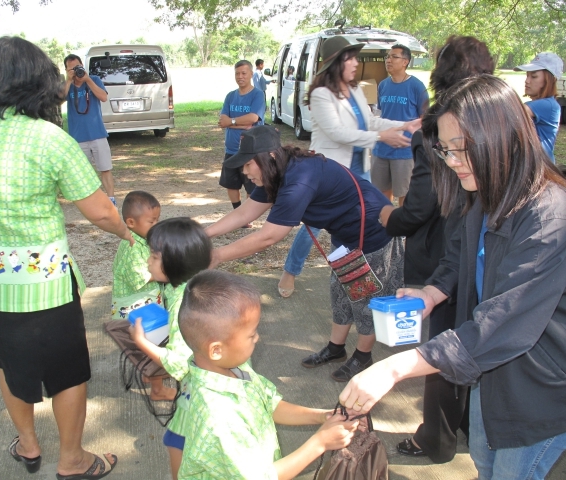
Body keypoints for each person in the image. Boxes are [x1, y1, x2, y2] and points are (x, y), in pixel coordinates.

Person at [339, 75, 566, 479]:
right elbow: (460, 251)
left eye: (460, 149)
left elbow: (504, 323)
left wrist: (393, 368)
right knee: (484, 462)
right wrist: (432, 292)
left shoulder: (549, 218)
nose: (452, 161)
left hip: (538, 389)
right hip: (491, 376)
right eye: (445, 150)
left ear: (501, 137)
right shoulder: (485, 193)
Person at [0, 36, 128, 479]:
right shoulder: (48, 138)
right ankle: (72, 460)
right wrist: (127, 234)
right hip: (45, 283)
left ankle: (29, 445)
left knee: (9, 361)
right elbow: (99, 211)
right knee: (67, 372)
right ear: (39, 83)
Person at [206, 125, 404, 383]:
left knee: (365, 299)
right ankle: (336, 348)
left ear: (269, 156)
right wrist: (204, 235)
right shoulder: (275, 172)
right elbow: (246, 212)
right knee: (341, 293)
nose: (244, 172)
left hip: (372, 233)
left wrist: (218, 256)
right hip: (345, 237)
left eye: (247, 164)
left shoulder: (299, 178)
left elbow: (269, 236)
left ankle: (363, 356)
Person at [378, 35, 494, 463]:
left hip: (449, 254)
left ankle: (437, 439)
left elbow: (423, 204)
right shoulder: (492, 115)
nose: (455, 159)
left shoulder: (437, 124)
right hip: (471, 256)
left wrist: (391, 219)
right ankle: (464, 426)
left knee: (447, 346)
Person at [177, 270, 358, 479]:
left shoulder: (233, 369)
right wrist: (320, 443)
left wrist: (321, 416)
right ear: (216, 350)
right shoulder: (219, 418)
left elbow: (268, 404)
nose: (257, 338)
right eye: (251, 334)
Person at [277, 36, 420, 298]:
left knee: (363, 221)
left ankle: (359, 274)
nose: (356, 63)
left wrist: (403, 125)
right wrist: (382, 138)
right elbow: (338, 132)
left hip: (359, 168)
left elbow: (371, 122)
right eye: (350, 58)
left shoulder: (354, 90)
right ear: (336, 62)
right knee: (315, 226)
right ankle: (291, 270)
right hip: (329, 170)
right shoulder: (321, 94)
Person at [129, 217, 212, 479]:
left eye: (153, 257)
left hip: (203, 395)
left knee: (176, 441)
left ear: (175, 262)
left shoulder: (182, 304)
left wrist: (141, 342)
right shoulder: (195, 286)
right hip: (210, 385)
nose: (148, 262)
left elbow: (178, 364)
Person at [371, 44, 429, 206]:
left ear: (405, 62)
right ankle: (386, 220)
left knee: (404, 194)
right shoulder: (383, 85)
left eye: (394, 57)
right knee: (381, 193)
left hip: (404, 151)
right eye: (387, 57)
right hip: (381, 149)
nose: (388, 60)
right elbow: (379, 115)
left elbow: (424, 119)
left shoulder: (417, 86)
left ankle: (403, 222)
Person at [63, 54, 117, 206]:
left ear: (82, 65)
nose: (76, 71)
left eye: (78, 67)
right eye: (72, 69)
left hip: (97, 134)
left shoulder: (94, 79)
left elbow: (103, 97)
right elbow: (58, 99)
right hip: (78, 137)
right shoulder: (67, 85)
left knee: (105, 169)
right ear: (67, 70)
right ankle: (91, 203)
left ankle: (111, 199)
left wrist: (87, 80)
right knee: (83, 173)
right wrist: (68, 80)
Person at [218, 60, 266, 222]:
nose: (240, 76)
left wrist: (231, 122)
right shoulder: (230, 96)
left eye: (244, 73)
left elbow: (253, 118)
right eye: (237, 73)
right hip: (231, 149)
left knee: (251, 184)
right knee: (231, 184)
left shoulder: (257, 95)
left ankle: (248, 217)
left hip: (250, 150)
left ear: (251, 74)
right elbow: (222, 119)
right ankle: (238, 214)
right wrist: (241, 124)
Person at [111, 191, 161, 322]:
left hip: (146, 306)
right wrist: (167, 273)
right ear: (131, 222)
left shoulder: (142, 239)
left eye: (157, 220)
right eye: (151, 221)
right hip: (133, 312)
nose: (156, 225)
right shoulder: (133, 247)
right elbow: (141, 278)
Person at [514, 52, 563, 163]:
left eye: (534, 76)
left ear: (550, 80)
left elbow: (509, 113)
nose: (527, 81)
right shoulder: (537, 105)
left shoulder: (548, 105)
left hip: (541, 169)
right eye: (527, 75)